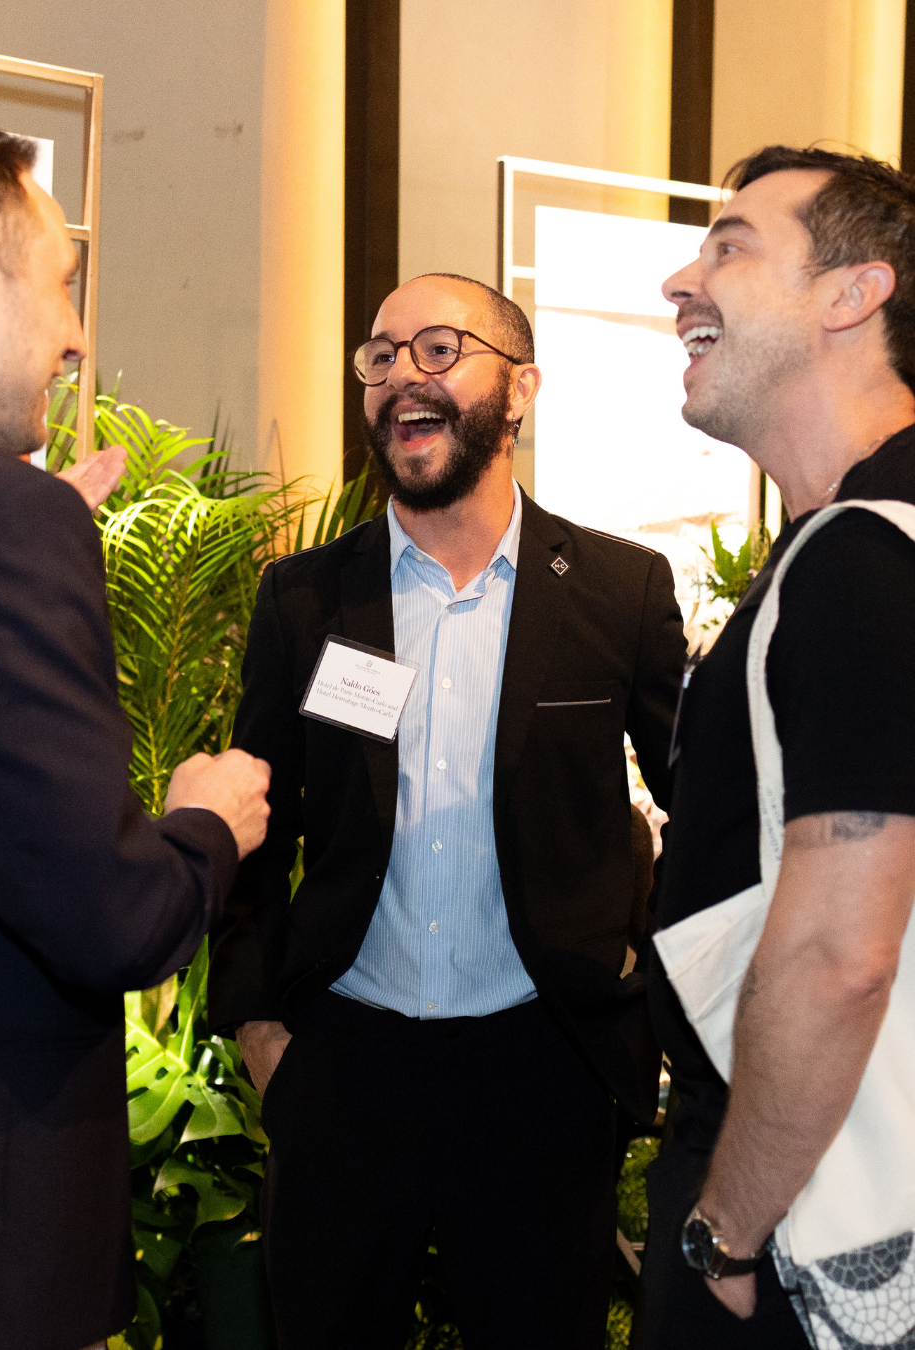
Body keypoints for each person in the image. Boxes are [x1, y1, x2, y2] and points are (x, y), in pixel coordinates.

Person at [0, 116, 271, 1350]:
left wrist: (9, 545)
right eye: (62, 283)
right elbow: (102, 913)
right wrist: (205, 823)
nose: (76, 333)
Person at [208, 272, 687, 1348]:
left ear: (519, 390)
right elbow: (254, 819)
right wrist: (258, 1024)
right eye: (379, 357)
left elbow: (703, 818)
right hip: (343, 1063)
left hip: (542, 1071)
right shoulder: (305, 599)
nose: (399, 379)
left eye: (436, 349)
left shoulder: (618, 594)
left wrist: (641, 1014)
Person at [644, 146, 915, 1349]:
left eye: (731, 244)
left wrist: (726, 1233)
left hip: (800, 1215)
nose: (679, 280)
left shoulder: (860, 565)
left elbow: (837, 955)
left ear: (854, 293)